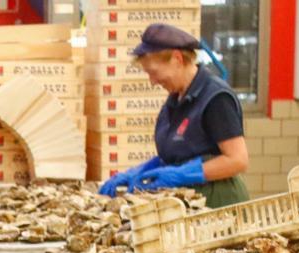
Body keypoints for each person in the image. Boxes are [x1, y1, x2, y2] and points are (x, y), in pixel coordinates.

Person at [98, 23, 251, 208]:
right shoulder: (175, 101)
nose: (152, 81)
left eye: (154, 72)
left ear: (177, 58)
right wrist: (142, 171)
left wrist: (184, 174)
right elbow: (176, 155)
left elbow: (238, 160)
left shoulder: (215, 98)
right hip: (189, 203)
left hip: (219, 203)